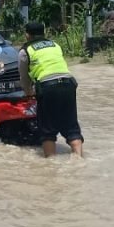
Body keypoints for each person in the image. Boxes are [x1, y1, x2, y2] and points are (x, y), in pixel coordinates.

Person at [19, 21, 84, 158]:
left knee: (47, 128)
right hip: (68, 84)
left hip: (47, 86)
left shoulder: (25, 51)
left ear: (27, 35)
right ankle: (79, 159)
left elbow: (24, 79)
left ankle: (51, 163)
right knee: (71, 125)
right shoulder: (55, 45)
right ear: (44, 32)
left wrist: (29, 94)